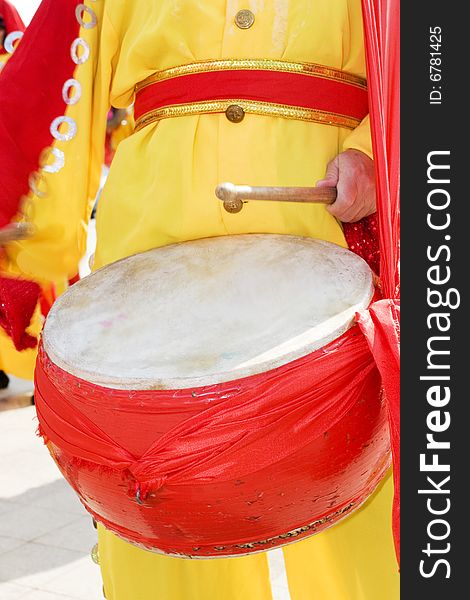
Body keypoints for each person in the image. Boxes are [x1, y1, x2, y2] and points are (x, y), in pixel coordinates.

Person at [0, 1, 398, 598]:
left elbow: (432, 41)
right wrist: (33, 262)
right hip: (154, 219)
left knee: (358, 487)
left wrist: (380, 153)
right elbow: (58, 75)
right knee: (165, 500)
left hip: (335, 210)